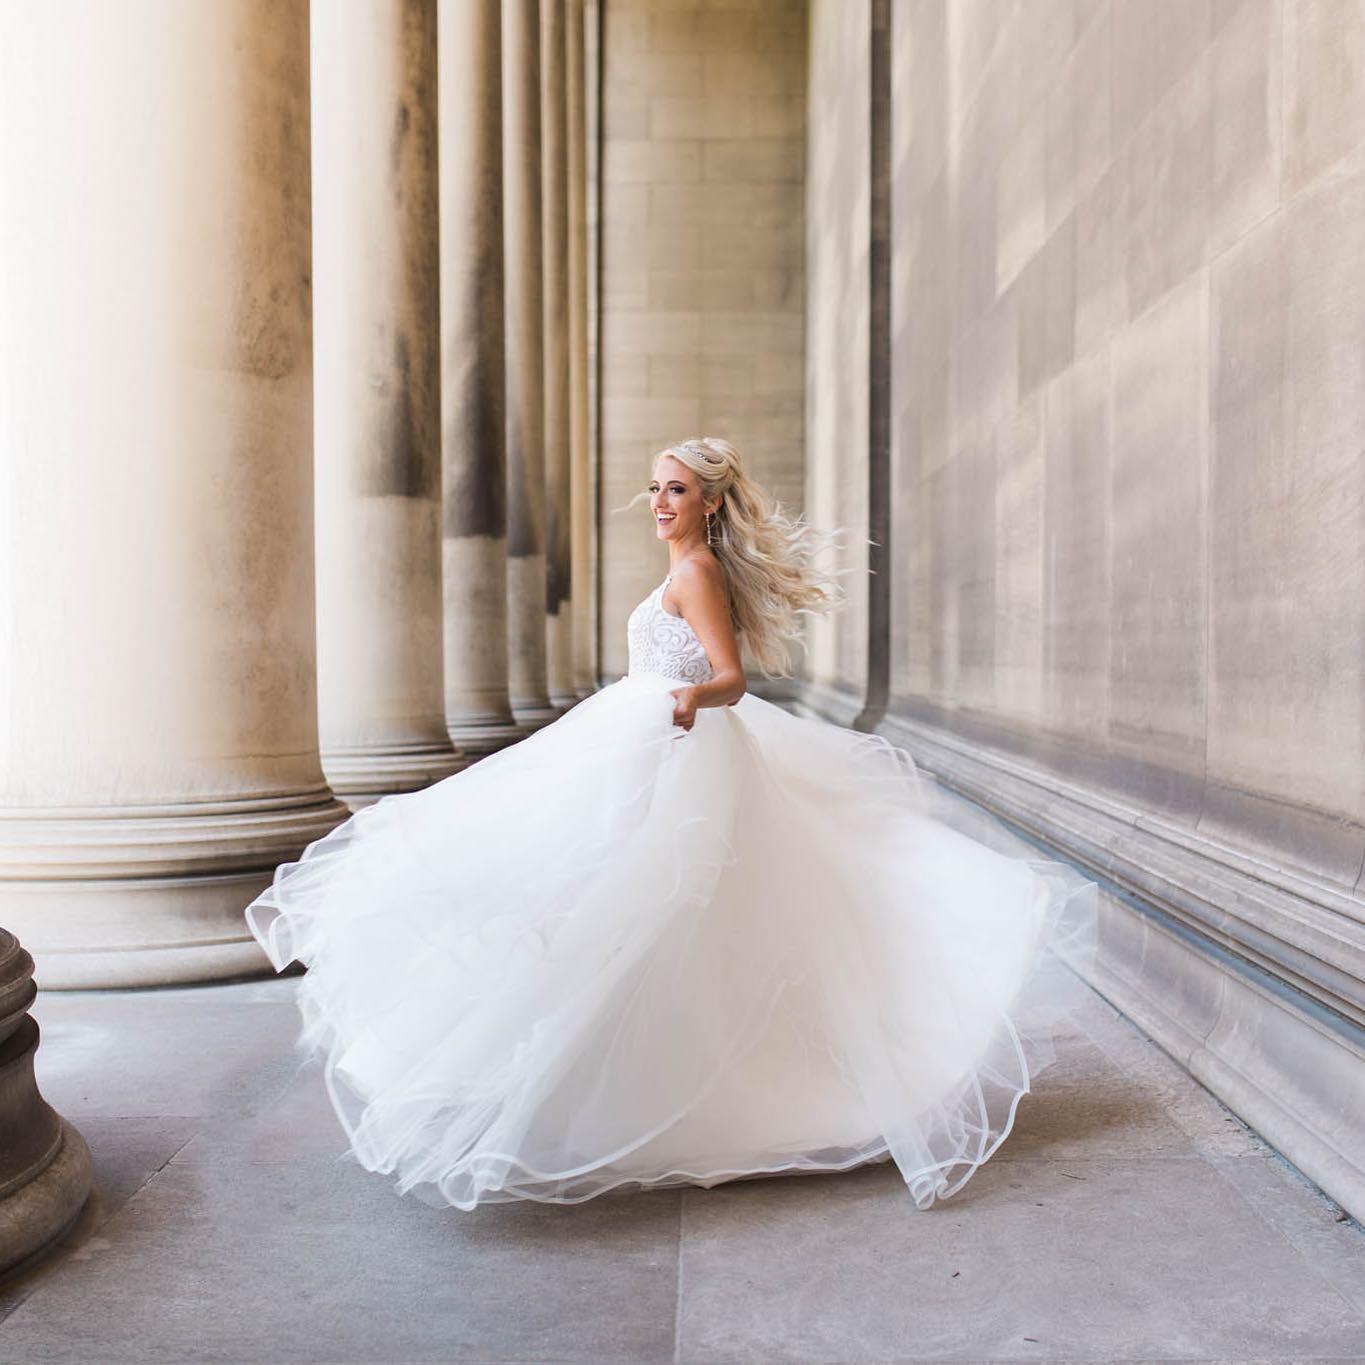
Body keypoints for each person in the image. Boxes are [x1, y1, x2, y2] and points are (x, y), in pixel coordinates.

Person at [245, 436, 1098, 1212]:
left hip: (681, 747)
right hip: (645, 741)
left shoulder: (695, 576)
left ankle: (662, 1093)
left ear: (710, 502)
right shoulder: (677, 571)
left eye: (677, 490)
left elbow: (730, 675)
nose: (659, 502)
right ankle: (605, 1087)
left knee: (645, 914)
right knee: (604, 907)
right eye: (653, 488)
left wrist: (687, 696)